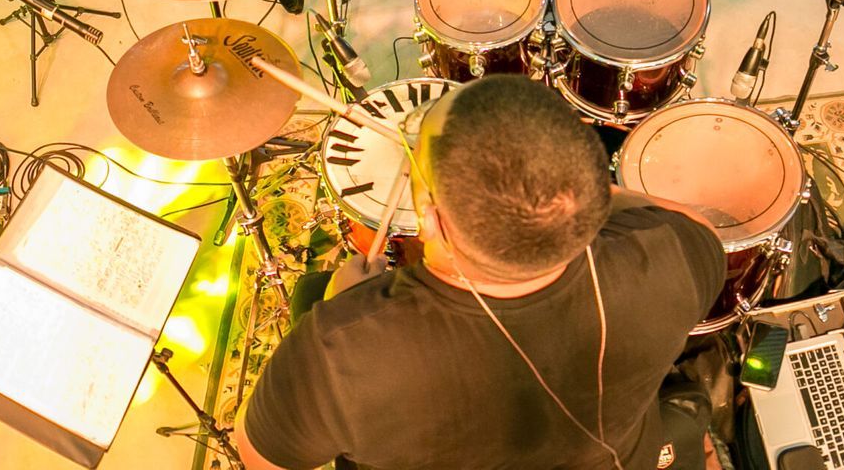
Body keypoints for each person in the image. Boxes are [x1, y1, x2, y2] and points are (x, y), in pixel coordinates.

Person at [235, 76, 724, 470]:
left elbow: (260, 460)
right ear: (592, 198)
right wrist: (567, 190)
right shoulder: (670, 257)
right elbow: (695, 224)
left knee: (310, 293)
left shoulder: (337, 352)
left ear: (426, 217)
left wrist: (348, 300)